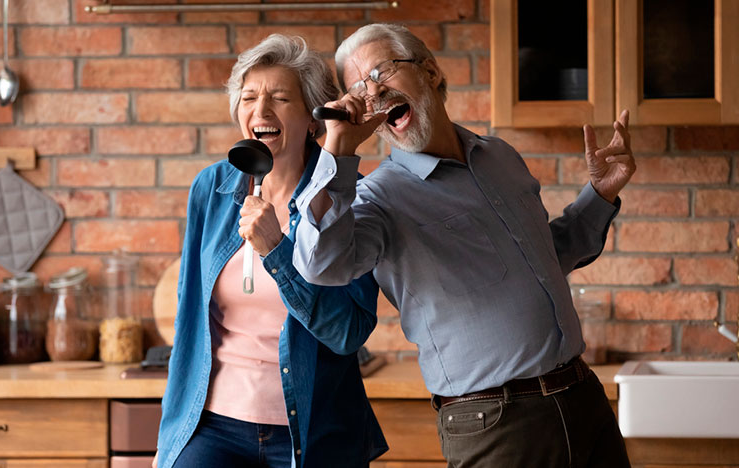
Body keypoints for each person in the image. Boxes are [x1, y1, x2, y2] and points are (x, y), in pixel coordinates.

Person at [292, 23, 636, 467]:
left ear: (431, 72)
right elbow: (321, 265)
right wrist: (337, 152)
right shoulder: (376, 198)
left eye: (381, 72)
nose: (371, 93)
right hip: (495, 424)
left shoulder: (500, 157)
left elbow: (548, 257)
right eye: (357, 87)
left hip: (582, 398)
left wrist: (600, 195)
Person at [154, 34, 387, 468]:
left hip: (314, 433)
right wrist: (172, 438)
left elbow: (348, 333)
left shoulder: (346, 196)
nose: (260, 112)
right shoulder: (213, 187)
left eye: (279, 98)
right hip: (212, 426)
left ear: (313, 119)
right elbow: (189, 316)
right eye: (248, 98)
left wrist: (276, 250)